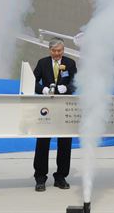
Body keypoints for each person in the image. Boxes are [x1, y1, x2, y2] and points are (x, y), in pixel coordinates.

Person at [33, 37, 77, 192]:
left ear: (63, 50)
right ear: (49, 50)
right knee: (43, 142)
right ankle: (40, 178)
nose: (57, 54)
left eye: (60, 51)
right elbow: (33, 81)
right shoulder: (42, 63)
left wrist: (68, 89)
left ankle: (61, 177)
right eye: (54, 51)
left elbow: (75, 82)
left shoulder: (70, 63)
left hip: (64, 107)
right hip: (46, 108)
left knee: (65, 143)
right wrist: (42, 90)